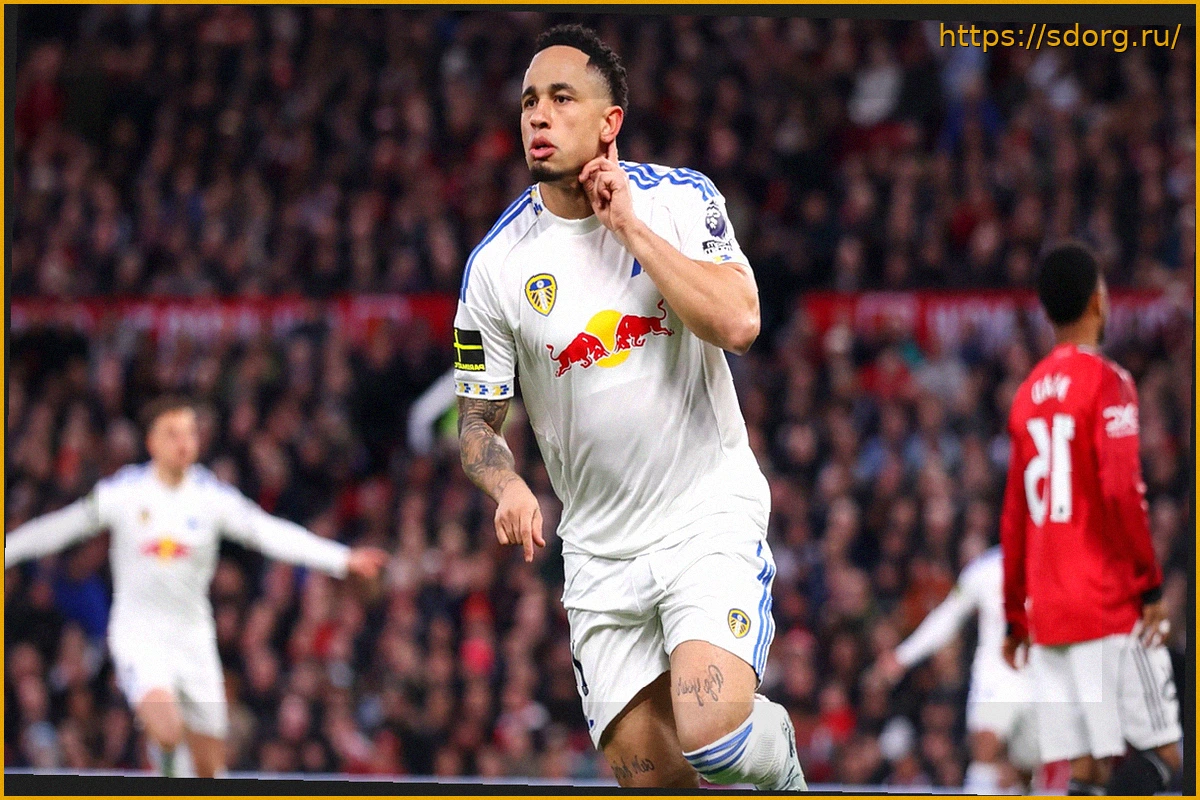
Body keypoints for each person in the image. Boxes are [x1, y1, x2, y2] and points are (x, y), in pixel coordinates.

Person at [452, 24, 804, 790]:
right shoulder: (496, 267)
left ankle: (779, 756)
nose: (538, 116)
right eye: (529, 101)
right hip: (598, 559)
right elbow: (475, 422)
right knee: (654, 782)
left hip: (702, 520)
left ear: (610, 122)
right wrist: (506, 483)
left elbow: (741, 324)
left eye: (561, 98)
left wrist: (629, 229)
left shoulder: (679, 200)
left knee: (715, 741)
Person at [4, 396, 389, 778]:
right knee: (167, 729)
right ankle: (166, 760)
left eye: (189, 432)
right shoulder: (124, 492)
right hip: (140, 634)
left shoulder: (211, 497)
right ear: (152, 442)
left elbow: (268, 532)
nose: (183, 442)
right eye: (172, 434)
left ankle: (173, 773)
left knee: (209, 771)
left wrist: (341, 558)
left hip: (193, 639)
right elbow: (62, 526)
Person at [1000, 242, 1182, 796]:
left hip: (1050, 613)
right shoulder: (1109, 382)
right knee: (1166, 758)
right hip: (1105, 604)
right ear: (1098, 301)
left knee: (1087, 771)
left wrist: (1015, 617)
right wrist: (1149, 587)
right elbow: (1121, 491)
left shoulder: (1027, 395)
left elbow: (1014, 519)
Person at [872, 545, 1039, 792]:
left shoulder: (1066, 566)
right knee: (986, 743)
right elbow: (949, 614)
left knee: (1024, 767)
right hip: (997, 674)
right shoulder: (985, 569)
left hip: (1041, 677)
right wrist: (904, 656)